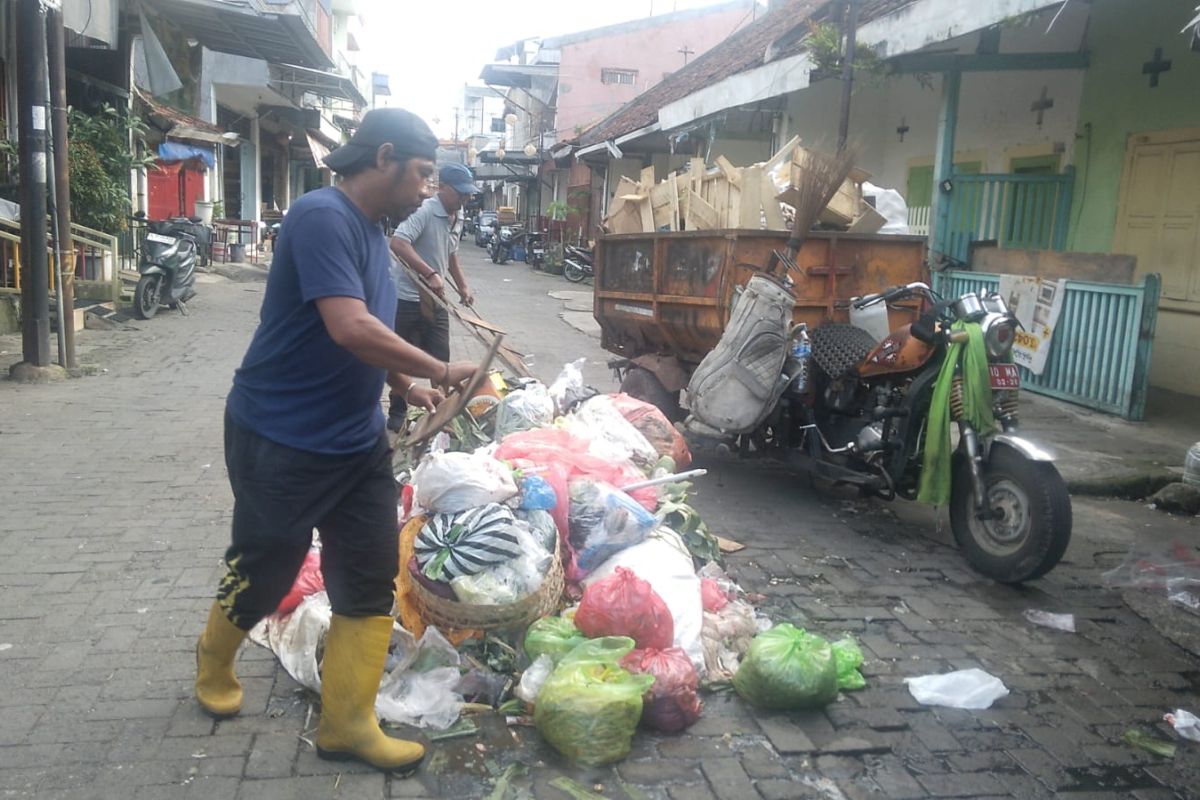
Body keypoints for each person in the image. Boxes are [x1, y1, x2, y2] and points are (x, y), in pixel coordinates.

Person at [193, 108, 476, 774]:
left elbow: (368, 333)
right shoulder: (321, 216)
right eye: (421, 174)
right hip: (280, 437)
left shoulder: (374, 234)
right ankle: (212, 660)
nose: (425, 189)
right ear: (383, 156)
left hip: (355, 443)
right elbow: (348, 326)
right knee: (266, 569)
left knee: (369, 575)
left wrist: (406, 384)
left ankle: (348, 723)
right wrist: (439, 367)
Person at [387, 162, 480, 430]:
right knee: (402, 357)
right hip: (406, 298)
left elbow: (451, 254)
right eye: (460, 193)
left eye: (468, 194)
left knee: (440, 359)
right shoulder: (425, 210)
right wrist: (429, 273)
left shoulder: (458, 215)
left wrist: (463, 285)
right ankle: (397, 411)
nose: (465, 199)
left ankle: (441, 410)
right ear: (443, 188)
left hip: (436, 301)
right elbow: (398, 243)